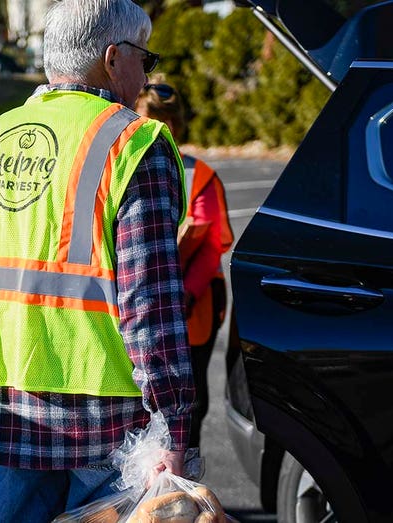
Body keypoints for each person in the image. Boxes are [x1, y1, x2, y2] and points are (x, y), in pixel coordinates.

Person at [0, 1, 194, 521]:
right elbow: (151, 307)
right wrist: (174, 426)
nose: (146, 74)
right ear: (113, 58)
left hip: (5, 409)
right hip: (109, 422)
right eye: (146, 58)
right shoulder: (134, 143)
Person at [136, 80, 234, 449]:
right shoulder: (122, 162)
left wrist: (186, 292)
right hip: (141, 299)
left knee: (189, 399)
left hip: (195, 301)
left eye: (159, 121)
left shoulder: (198, 175)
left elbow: (211, 244)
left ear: (174, 125)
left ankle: (184, 476)